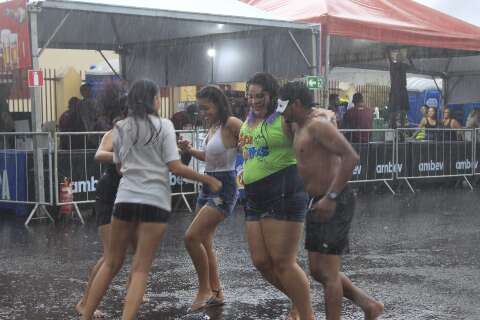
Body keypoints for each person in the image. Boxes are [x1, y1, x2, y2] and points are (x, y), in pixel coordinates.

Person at [80, 80, 222, 320]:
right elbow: (175, 166)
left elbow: (119, 165)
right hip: (154, 201)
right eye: (158, 97)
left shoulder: (122, 127)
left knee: (111, 262)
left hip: (124, 199)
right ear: (153, 100)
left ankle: (85, 314)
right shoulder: (163, 126)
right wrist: (206, 179)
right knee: (140, 269)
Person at [277, 81, 384, 320]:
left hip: (335, 200)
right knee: (317, 271)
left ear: (296, 104)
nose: (282, 112)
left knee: (329, 274)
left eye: (284, 106)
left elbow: (351, 157)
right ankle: (368, 305)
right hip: (316, 201)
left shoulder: (318, 126)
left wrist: (331, 197)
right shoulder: (296, 124)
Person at [238, 72, 314, 320]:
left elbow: (311, 120)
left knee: (283, 262)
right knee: (261, 262)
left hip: (283, 192)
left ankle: (306, 313)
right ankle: (299, 298)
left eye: (260, 96)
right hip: (254, 198)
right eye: (250, 96)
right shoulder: (246, 122)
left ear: (271, 96)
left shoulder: (283, 119)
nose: (254, 101)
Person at [178, 85, 242, 312]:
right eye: (201, 109)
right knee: (204, 242)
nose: (203, 113)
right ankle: (217, 292)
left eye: (207, 108)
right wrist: (189, 149)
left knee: (191, 237)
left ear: (219, 104)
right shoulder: (214, 126)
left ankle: (204, 290)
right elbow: (208, 157)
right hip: (207, 184)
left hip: (224, 187)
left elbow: (252, 146)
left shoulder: (232, 123)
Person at [75, 87, 127, 319]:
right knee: (110, 257)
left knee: (115, 256)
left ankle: (86, 303)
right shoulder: (117, 131)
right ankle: (85, 305)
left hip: (127, 196)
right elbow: (99, 154)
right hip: (110, 194)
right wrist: (122, 156)